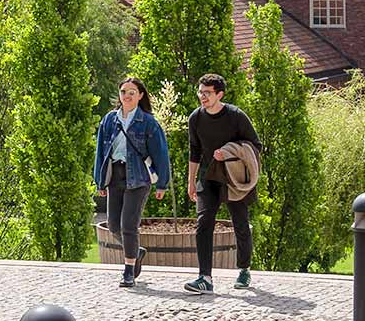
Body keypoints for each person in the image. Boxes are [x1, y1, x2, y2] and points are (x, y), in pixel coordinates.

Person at [183, 74, 262, 295]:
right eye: (200, 92)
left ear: (220, 94)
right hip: (208, 179)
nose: (202, 97)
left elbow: (255, 146)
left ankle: (244, 269)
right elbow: (194, 151)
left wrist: (229, 152)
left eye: (207, 93)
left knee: (240, 223)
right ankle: (204, 277)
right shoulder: (195, 118)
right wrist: (190, 182)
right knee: (203, 223)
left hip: (233, 178)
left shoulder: (236, 116)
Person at [93, 77, 171, 288]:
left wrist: (162, 183)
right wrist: (99, 182)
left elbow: (161, 154)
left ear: (140, 95)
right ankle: (135, 251)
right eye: (123, 91)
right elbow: (101, 151)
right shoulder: (110, 120)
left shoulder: (148, 122)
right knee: (113, 225)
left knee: (129, 225)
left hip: (138, 178)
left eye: (132, 92)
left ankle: (128, 271)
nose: (126, 96)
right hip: (115, 175)